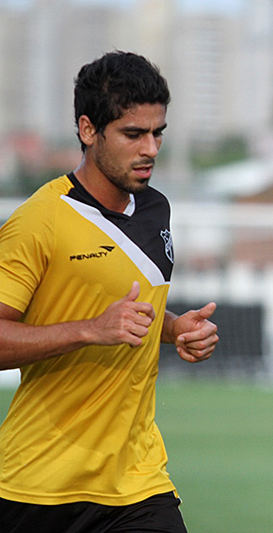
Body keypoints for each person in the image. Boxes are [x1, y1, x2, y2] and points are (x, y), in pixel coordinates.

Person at [0, 51, 219, 533]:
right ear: (87, 129)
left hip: (138, 480)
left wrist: (174, 328)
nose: (151, 149)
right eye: (133, 134)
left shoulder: (156, 209)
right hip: (40, 482)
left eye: (157, 133)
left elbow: (128, 312)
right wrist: (89, 330)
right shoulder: (40, 220)